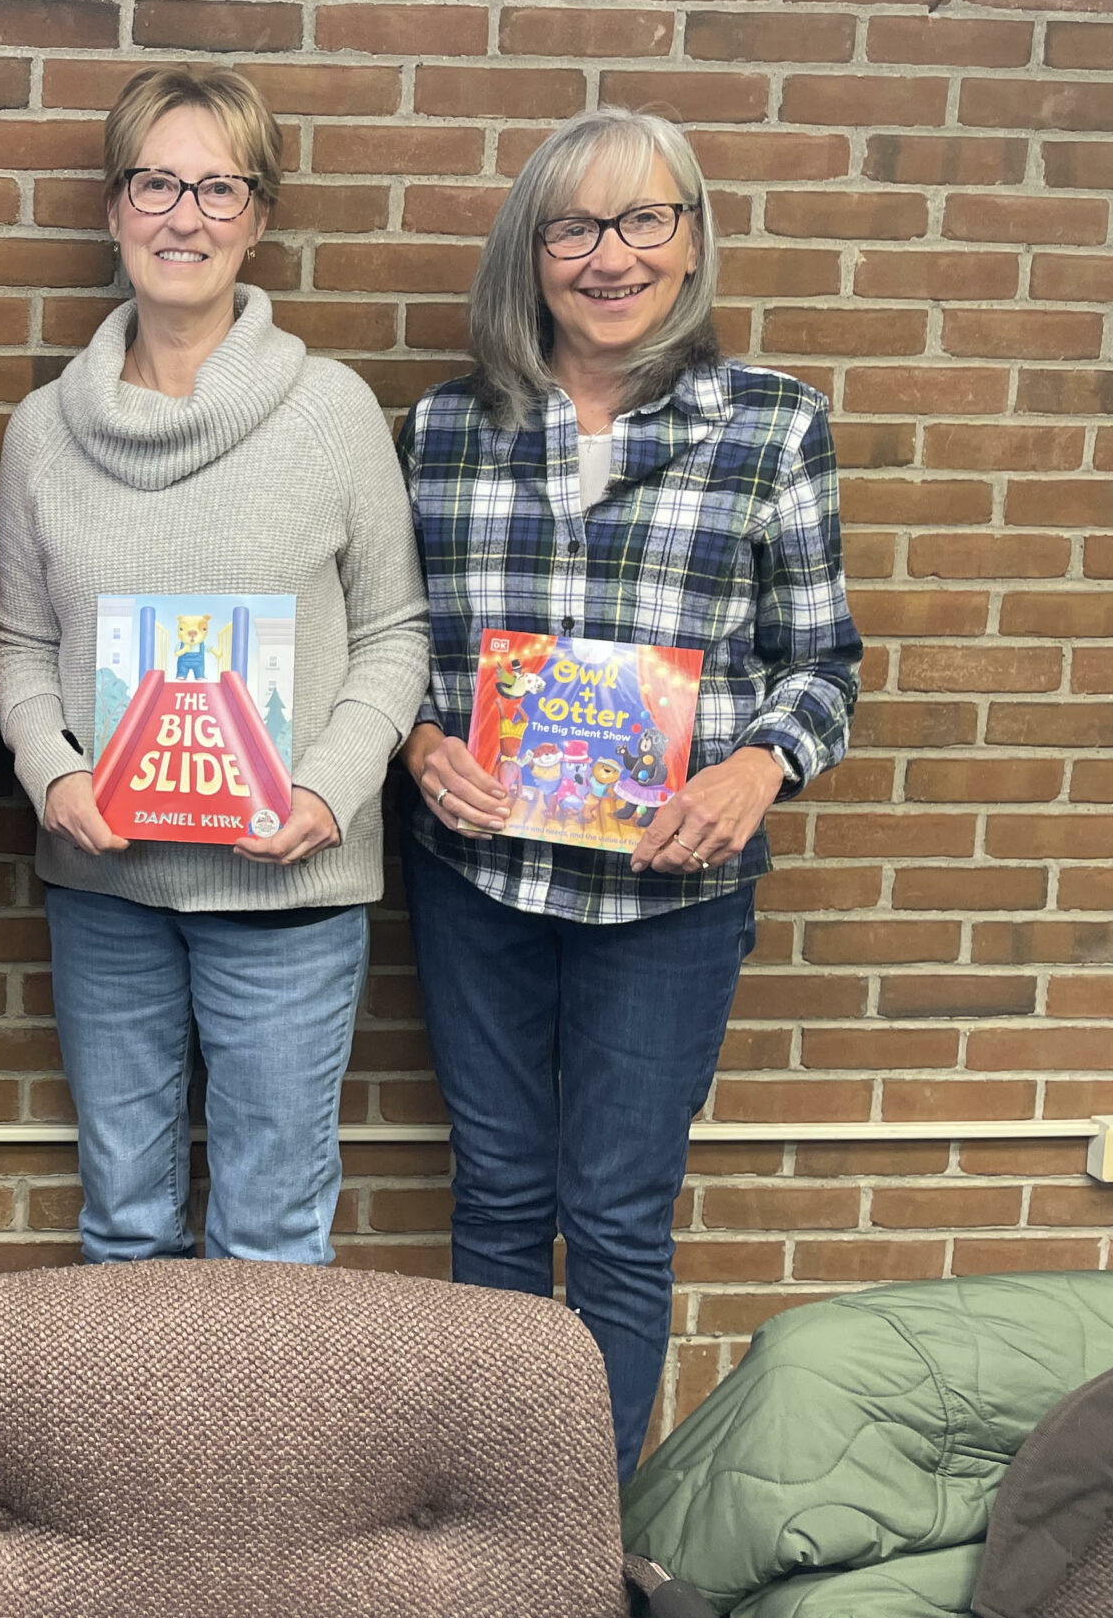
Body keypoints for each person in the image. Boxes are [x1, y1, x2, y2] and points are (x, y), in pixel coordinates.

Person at [395, 105, 861, 1480]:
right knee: (496, 1199)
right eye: (578, 226)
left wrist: (759, 763)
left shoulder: (773, 427)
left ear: (691, 236)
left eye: (645, 219)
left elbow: (825, 656)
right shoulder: (437, 431)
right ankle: (489, 1515)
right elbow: (387, 646)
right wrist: (419, 748)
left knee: (614, 1215)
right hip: (480, 877)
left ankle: (580, 1527)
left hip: (675, 888)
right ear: (530, 253)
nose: (613, 255)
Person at [0, 66, 430, 1271]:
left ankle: (259, 1467)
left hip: (286, 889)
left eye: (218, 188)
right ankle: (130, 1468)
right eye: (156, 183)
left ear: (260, 215)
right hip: (106, 888)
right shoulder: (42, 431)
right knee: (122, 1221)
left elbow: (395, 634)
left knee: (273, 1228)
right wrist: (49, 775)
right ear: (113, 207)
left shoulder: (333, 414)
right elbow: (22, 647)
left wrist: (325, 792)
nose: (184, 217)